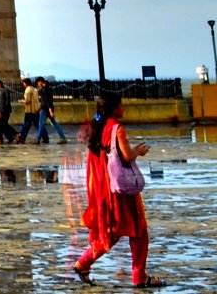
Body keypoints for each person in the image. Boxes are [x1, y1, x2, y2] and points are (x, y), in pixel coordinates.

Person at [73, 95, 165, 287]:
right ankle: (139, 277)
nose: (124, 108)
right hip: (122, 189)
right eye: (121, 105)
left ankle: (83, 263)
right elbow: (126, 155)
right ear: (114, 109)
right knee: (139, 233)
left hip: (105, 189)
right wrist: (138, 151)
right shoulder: (117, 129)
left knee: (112, 232)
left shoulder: (97, 128)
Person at [37, 76, 68, 143]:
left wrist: (49, 111)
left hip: (45, 109)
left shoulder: (43, 90)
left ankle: (38, 139)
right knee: (55, 123)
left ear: (40, 82)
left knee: (41, 124)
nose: (37, 84)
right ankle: (63, 138)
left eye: (38, 82)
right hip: (49, 108)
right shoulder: (49, 89)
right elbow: (50, 101)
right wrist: (51, 110)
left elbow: (46, 101)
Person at [19, 76, 42, 142]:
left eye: (23, 83)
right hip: (36, 110)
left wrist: (21, 101)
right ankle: (45, 137)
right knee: (38, 125)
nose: (23, 84)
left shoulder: (27, 90)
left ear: (26, 83)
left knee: (26, 125)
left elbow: (27, 101)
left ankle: (21, 137)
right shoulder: (34, 89)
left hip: (29, 110)